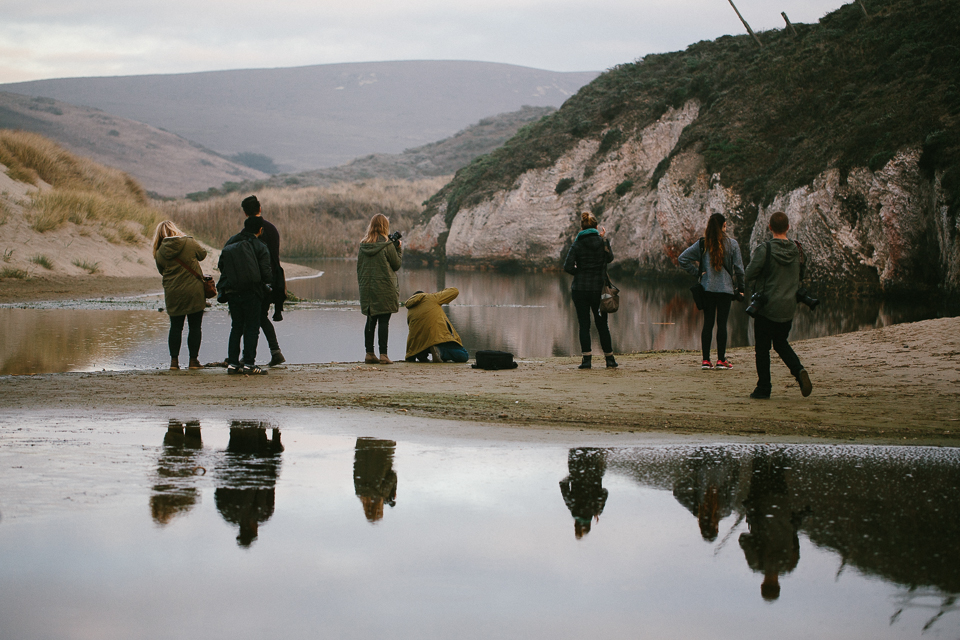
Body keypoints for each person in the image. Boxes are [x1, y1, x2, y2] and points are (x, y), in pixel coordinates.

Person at [744, 211, 813, 399]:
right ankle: (798, 371)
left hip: (766, 308)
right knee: (781, 343)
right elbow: (802, 274)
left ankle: (764, 388)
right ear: (788, 227)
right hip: (787, 308)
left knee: (762, 349)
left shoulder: (764, 249)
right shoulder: (798, 249)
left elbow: (748, 274)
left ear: (770, 227)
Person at [678, 213, 745, 370]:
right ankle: (721, 360)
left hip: (707, 289)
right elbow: (740, 269)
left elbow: (682, 259)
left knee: (707, 324)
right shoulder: (732, 244)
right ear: (724, 226)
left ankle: (706, 361)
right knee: (722, 324)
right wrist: (741, 288)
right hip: (726, 290)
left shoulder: (702, 244)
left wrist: (699, 273)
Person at [217, 216, 273, 375]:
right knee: (252, 328)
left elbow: (222, 265)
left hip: (233, 292)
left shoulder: (231, 242)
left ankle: (232, 364)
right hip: (252, 293)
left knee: (236, 327)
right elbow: (266, 273)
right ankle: (249, 363)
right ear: (260, 230)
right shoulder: (260, 246)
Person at [563, 211, 617, 369]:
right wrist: (603, 239)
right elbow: (610, 259)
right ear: (596, 226)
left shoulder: (577, 243)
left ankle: (586, 360)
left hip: (580, 289)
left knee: (584, 325)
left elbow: (567, 266)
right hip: (598, 290)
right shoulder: (602, 242)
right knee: (602, 325)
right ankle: (610, 360)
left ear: (582, 227)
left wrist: (579, 273)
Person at [153, 220, 207, 371]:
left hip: (173, 292)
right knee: (195, 327)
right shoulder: (189, 242)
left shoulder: (159, 252)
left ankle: (174, 362)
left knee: (175, 327)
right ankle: (193, 361)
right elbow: (202, 254)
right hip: (194, 290)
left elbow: (161, 270)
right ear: (175, 230)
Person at [241, 195, 286, 367]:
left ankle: (250, 356)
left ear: (245, 213)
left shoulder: (250, 232)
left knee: (255, 317)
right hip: (274, 279)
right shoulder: (272, 228)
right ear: (260, 208)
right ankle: (273, 352)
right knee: (260, 316)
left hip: (258, 281)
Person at [357, 213, 402, 364]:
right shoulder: (387, 245)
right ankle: (384, 355)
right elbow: (396, 265)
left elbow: (360, 268)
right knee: (384, 321)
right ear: (384, 226)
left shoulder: (363, 245)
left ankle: (369, 353)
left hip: (368, 288)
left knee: (370, 320)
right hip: (384, 287)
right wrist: (399, 250)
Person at [403, 288, 469, 363]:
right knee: (464, 355)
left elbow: (411, 332)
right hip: (438, 336)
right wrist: (435, 294)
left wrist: (410, 354)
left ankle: (422, 354)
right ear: (424, 294)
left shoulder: (410, 310)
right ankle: (440, 352)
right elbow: (454, 291)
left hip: (419, 344)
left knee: (428, 342)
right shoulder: (431, 298)